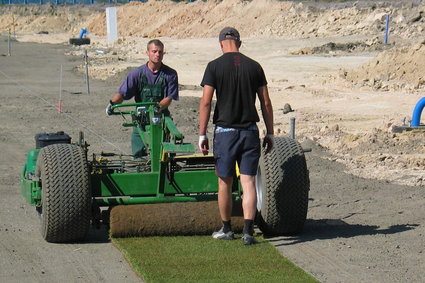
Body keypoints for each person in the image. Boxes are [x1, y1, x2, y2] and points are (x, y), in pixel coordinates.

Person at [198, 27, 274, 245]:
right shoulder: (255, 66)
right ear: (239, 43)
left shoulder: (214, 66)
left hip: (225, 133)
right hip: (250, 131)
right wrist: (270, 132)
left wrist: (202, 133)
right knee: (248, 181)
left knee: (225, 182)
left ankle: (227, 228)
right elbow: (266, 102)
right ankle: (249, 233)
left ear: (221, 43)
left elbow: (205, 102)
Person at [106, 39, 179, 158]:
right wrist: (112, 104)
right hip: (141, 119)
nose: (157, 55)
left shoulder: (170, 74)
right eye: (154, 51)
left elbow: (169, 98)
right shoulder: (137, 74)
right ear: (147, 53)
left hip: (160, 119)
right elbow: (123, 93)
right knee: (138, 156)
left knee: (161, 155)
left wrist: (158, 108)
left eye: (160, 52)